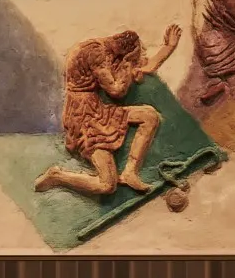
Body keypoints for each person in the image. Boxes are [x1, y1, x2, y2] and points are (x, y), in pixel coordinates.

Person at [35, 25, 185, 200]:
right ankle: (58, 176)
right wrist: (127, 67)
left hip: (97, 109)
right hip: (84, 116)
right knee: (107, 184)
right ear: (126, 52)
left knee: (148, 116)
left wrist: (169, 47)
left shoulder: (111, 53)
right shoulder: (96, 53)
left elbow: (146, 67)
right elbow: (116, 91)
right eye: (135, 54)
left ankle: (129, 172)